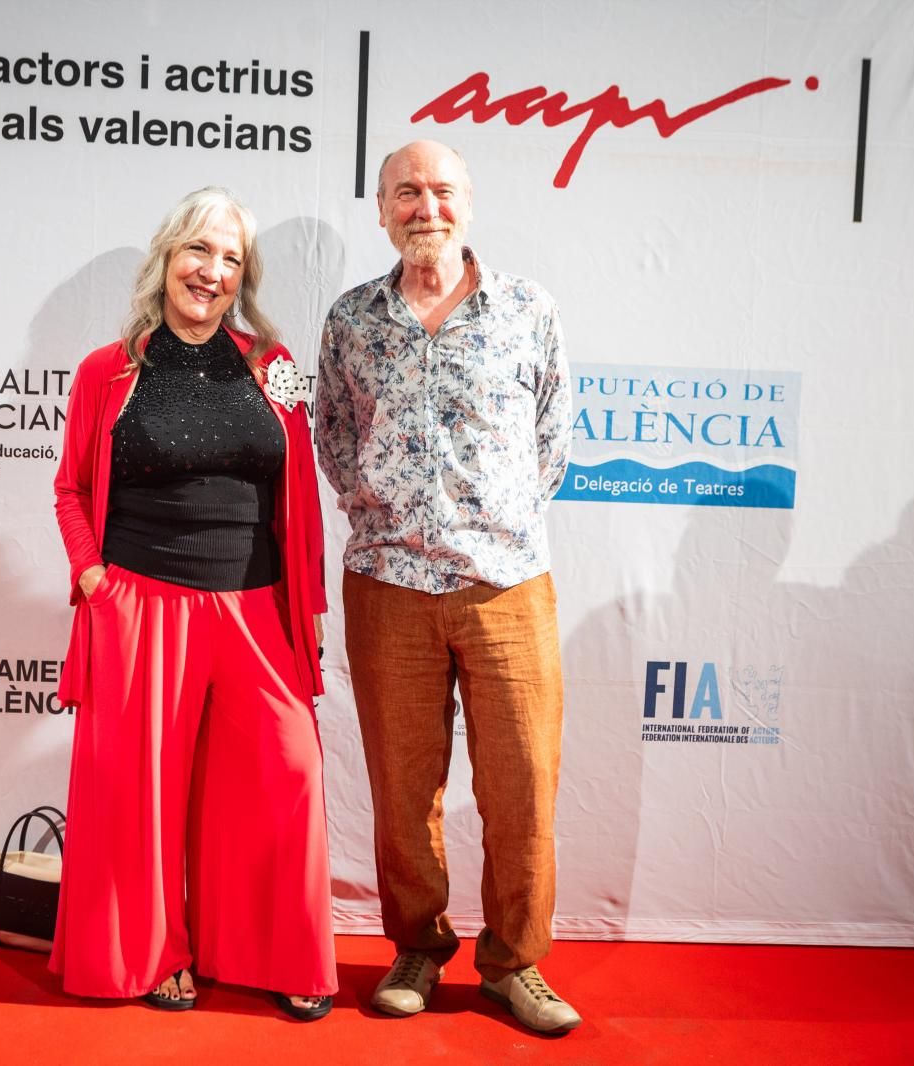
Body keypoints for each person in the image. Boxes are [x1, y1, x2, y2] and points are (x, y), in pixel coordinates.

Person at [47, 186, 336, 1021]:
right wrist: (94, 580)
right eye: (198, 251)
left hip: (254, 609)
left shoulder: (269, 364)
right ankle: (158, 956)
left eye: (230, 258)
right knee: (142, 798)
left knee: (289, 773)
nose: (211, 272)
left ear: (243, 276)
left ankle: (283, 954)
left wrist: (302, 606)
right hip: (140, 606)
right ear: (168, 257)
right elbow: (70, 490)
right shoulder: (110, 371)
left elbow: (298, 496)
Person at [315, 141, 579, 1034]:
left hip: (507, 585)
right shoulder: (352, 318)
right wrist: (383, 516)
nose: (425, 205)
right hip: (387, 584)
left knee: (523, 783)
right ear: (383, 210)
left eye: (441, 190)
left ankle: (515, 964)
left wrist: (488, 524)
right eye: (406, 192)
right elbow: (333, 436)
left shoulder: (529, 310)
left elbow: (553, 440)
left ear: (468, 203)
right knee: (403, 784)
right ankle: (418, 947)